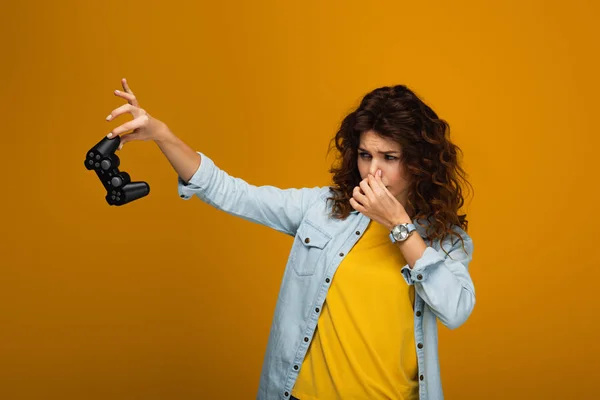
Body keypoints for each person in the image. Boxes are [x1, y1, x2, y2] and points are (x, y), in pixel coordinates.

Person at [104, 78, 476, 400]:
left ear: (418, 162)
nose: (373, 171)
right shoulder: (323, 209)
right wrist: (162, 135)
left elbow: (456, 310)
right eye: (365, 154)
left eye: (389, 157)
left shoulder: (444, 238)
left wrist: (399, 225)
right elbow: (230, 192)